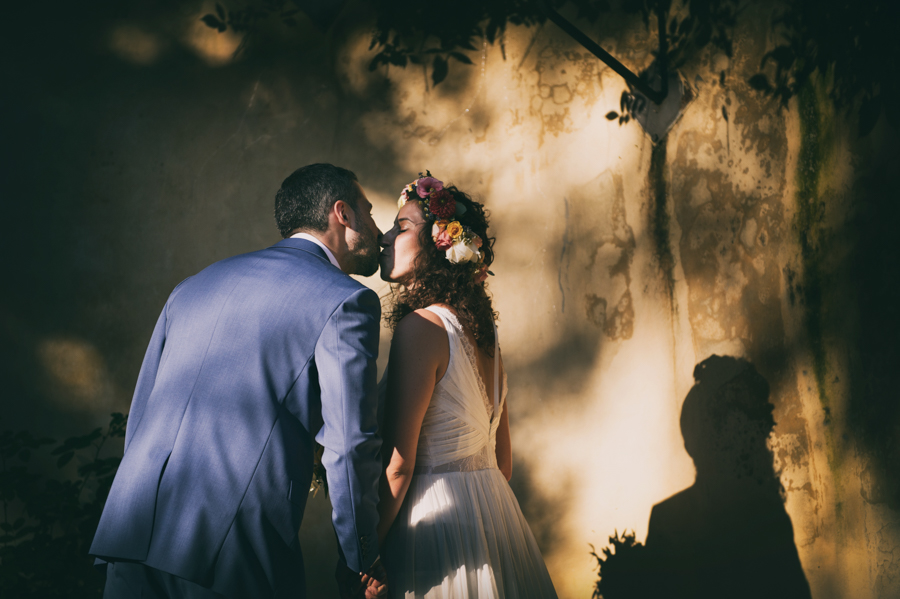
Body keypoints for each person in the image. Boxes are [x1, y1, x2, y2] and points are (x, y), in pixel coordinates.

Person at [90, 163, 387, 598]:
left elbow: (143, 413)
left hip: (131, 530)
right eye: (370, 212)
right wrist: (360, 554)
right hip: (229, 550)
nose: (379, 230)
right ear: (342, 213)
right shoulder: (346, 300)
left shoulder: (194, 284)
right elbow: (350, 445)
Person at [375, 173, 558, 598]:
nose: (385, 238)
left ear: (439, 246)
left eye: (401, 227)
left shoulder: (421, 327)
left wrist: (363, 552)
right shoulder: (483, 335)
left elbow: (398, 467)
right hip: (495, 521)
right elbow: (502, 463)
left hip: (433, 526)